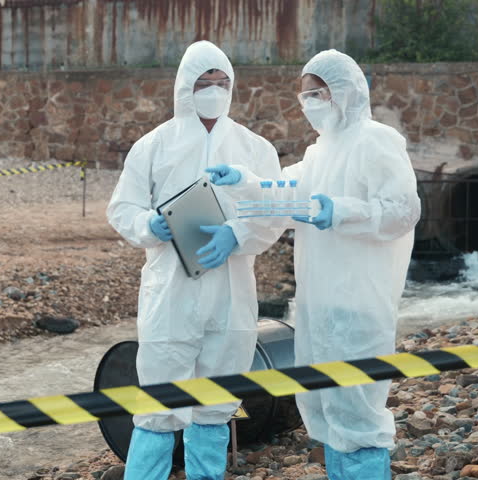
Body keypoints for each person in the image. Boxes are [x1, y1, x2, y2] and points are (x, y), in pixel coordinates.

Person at [206, 49, 421, 480]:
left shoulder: (375, 141)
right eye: (304, 95)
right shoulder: (319, 154)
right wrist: (245, 182)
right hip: (318, 308)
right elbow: (283, 190)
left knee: (357, 413)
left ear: (344, 91)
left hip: (359, 306)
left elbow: (402, 209)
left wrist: (339, 211)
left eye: (317, 92)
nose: (309, 102)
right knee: (324, 410)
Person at [106, 40, 285, 480]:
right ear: (184, 87)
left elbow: (276, 210)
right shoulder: (154, 146)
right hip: (170, 292)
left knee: (217, 402)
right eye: (203, 83)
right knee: (158, 405)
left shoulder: (254, 149)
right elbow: (121, 209)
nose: (213, 90)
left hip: (231, 290)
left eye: (222, 82)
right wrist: (151, 225)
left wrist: (238, 233)